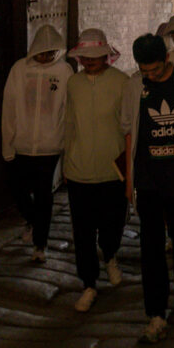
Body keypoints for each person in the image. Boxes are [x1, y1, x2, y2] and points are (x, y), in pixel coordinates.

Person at [124, 33, 174, 344]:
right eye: (144, 71)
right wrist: (129, 182)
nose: (150, 77)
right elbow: (128, 130)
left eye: (155, 71)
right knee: (151, 248)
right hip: (148, 180)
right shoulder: (134, 86)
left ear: (167, 60)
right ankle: (155, 313)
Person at [64, 29, 130, 312]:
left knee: (113, 222)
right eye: (85, 58)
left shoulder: (122, 83)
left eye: (95, 57)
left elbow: (128, 126)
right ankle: (88, 283)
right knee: (82, 231)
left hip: (111, 168)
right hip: (79, 168)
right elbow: (69, 123)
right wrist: (66, 161)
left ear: (106, 55)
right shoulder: (73, 84)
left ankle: (111, 253)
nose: (89, 62)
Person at [1, 24, 72, 262]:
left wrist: (64, 141)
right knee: (17, 189)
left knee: (44, 194)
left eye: (51, 52)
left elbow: (66, 110)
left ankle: (40, 244)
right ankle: (32, 220)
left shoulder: (64, 72)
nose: (47, 57)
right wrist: (7, 144)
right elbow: (9, 108)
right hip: (21, 143)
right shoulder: (20, 70)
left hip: (49, 144)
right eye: (43, 52)